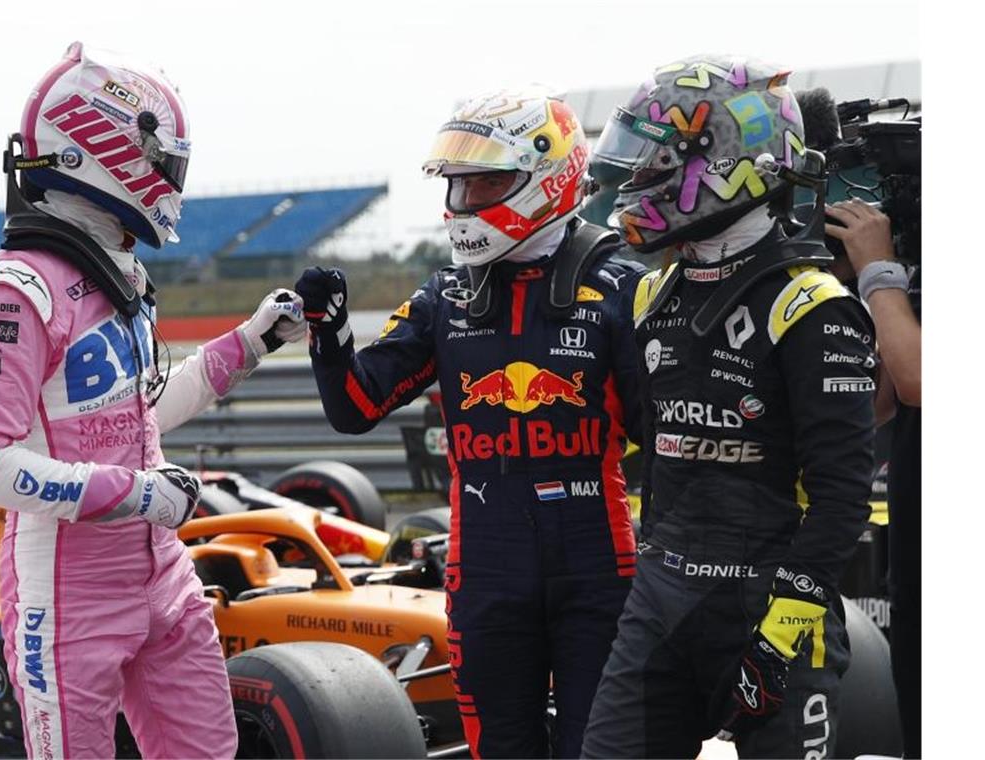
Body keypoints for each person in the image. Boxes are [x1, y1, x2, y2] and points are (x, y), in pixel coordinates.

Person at [0, 42, 305, 759]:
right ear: (101, 146)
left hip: (162, 574)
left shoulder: (115, 270)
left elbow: (133, 417)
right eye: (162, 159)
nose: (171, 178)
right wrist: (140, 496)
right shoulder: (16, 292)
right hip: (67, 590)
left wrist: (256, 341)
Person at [296, 87, 643, 758]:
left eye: (485, 179)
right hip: (484, 567)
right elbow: (354, 408)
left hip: (599, 569)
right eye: (459, 181)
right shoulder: (443, 296)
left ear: (548, 176)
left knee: (600, 750)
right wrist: (329, 335)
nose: (465, 199)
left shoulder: (623, 287)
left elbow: (665, 445)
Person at [580, 55, 878, 759]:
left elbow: (842, 493)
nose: (638, 179)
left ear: (726, 161)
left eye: (657, 162)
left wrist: (788, 620)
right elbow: (647, 445)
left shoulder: (811, 305)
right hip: (661, 604)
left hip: (775, 613)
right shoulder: (653, 293)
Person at [825, 199, 921, 758]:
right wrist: (847, 288)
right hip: (915, 543)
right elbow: (878, 403)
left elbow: (918, 381)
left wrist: (878, 273)